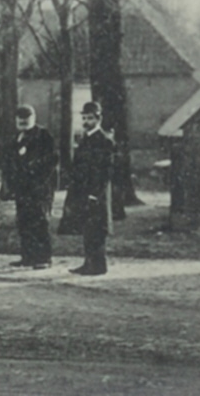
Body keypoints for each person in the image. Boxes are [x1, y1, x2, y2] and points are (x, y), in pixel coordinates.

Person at [8, 105, 57, 270]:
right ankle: (27, 256)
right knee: (24, 221)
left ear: (33, 118)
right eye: (19, 119)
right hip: (22, 188)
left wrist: (34, 172)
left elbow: (51, 160)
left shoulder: (43, 135)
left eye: (26, 118)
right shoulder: (17, 137)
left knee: (39, 221)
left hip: (39, 188)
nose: (22, 121)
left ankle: (43, 258)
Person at [70, 101, 113, 276]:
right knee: (88, 229)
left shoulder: (104, 141)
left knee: (97, 230)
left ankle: (98, 266)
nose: (86, 122)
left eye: (90, 118)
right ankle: (88, 263)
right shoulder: (86, 139)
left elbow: (106, 171)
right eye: (84, 118)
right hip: (84, 191)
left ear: (99, 119)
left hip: (97, 193)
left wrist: (95, 193)